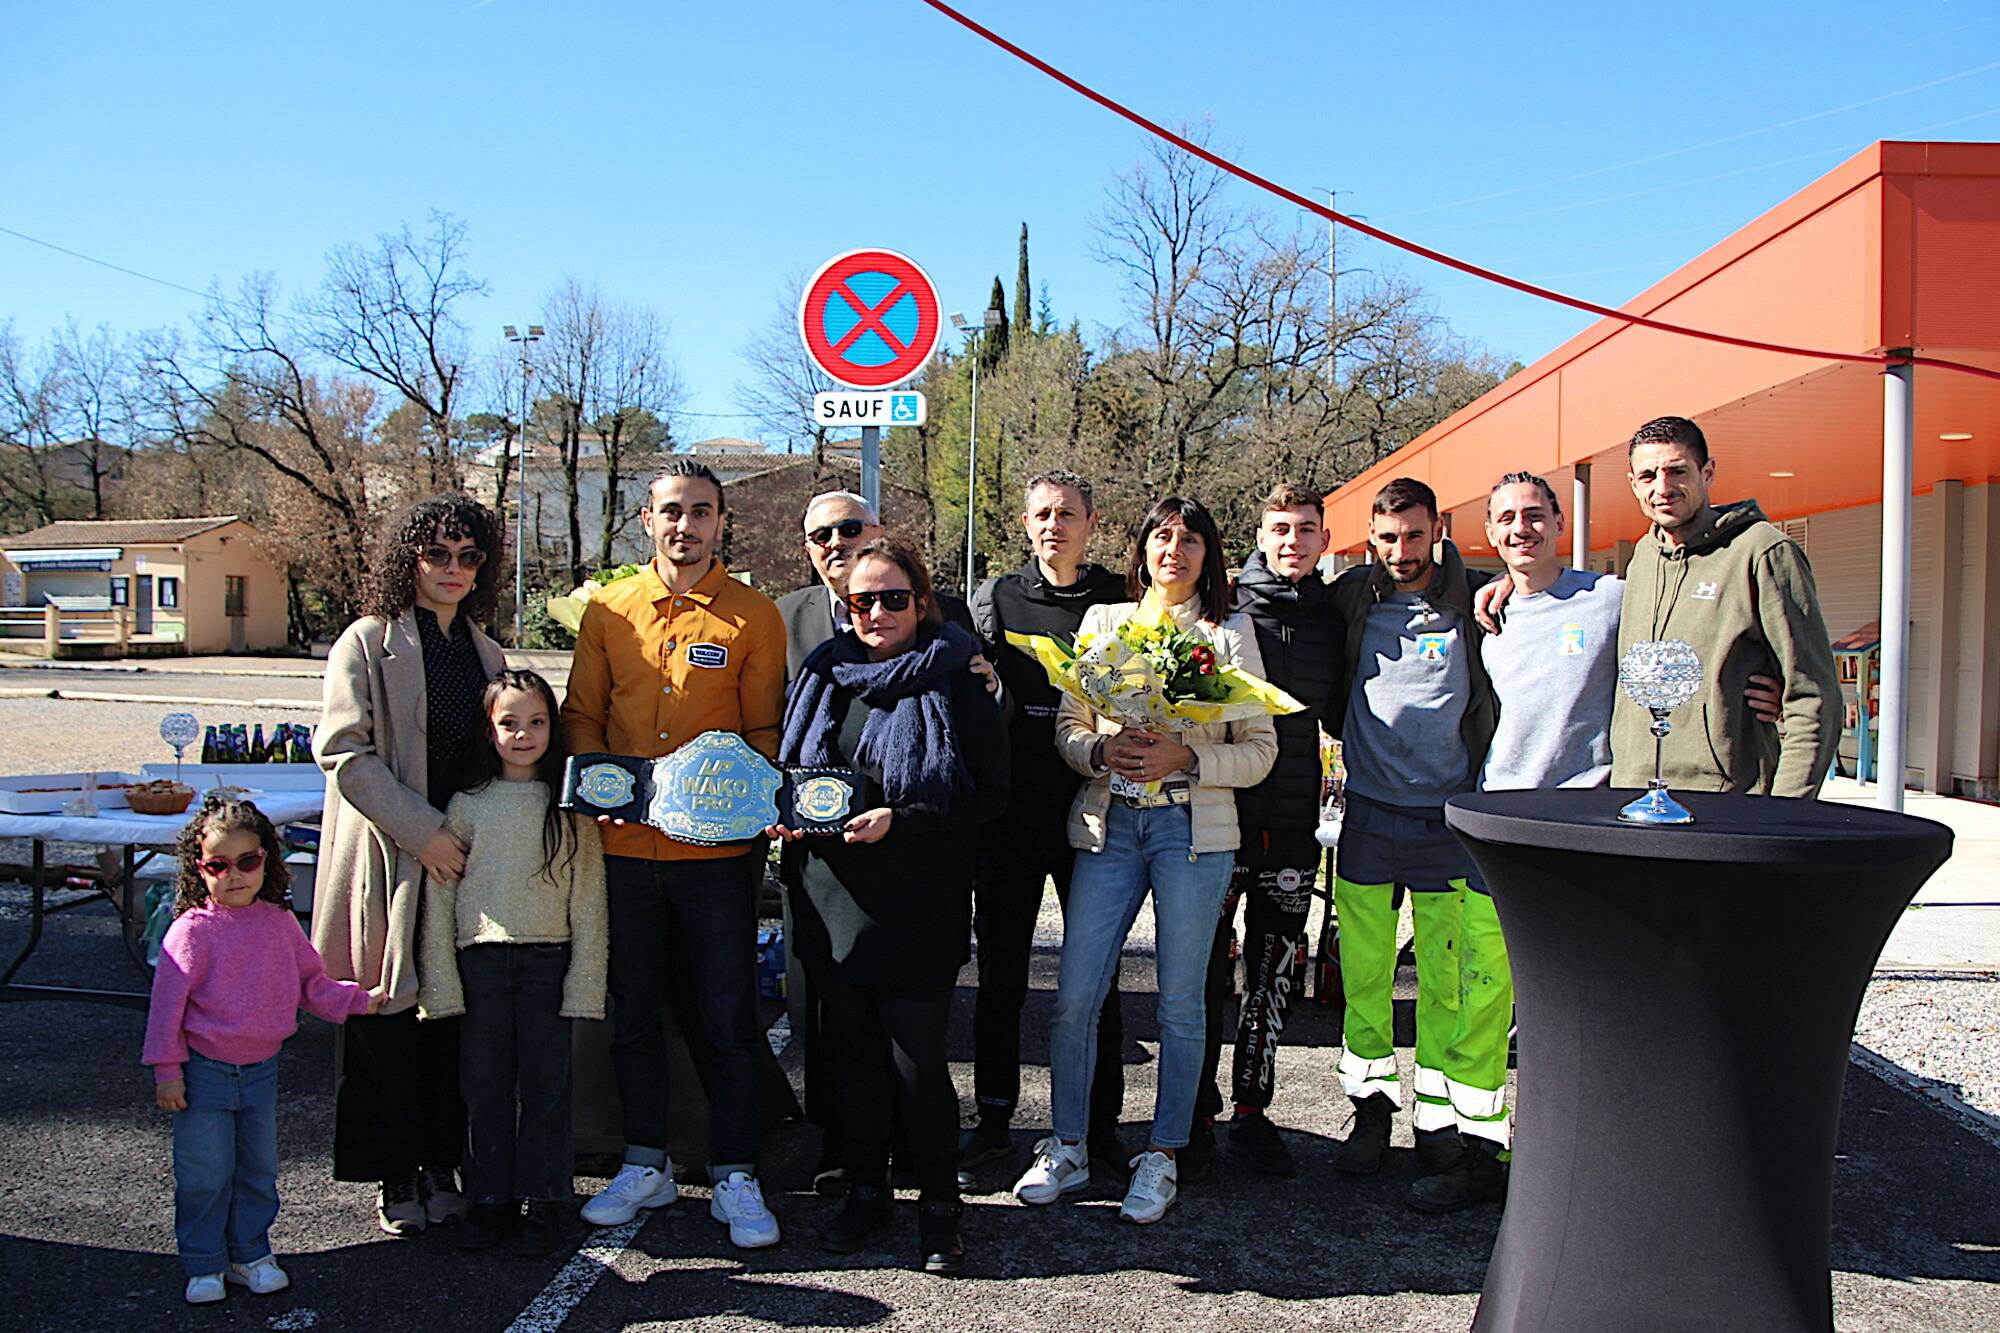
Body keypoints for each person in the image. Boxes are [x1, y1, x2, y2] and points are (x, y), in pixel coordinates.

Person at [1442, 471, 1795, 1213]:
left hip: (1581, 831)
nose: (1520, 529)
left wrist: (1763, 681)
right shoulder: (1485, 613)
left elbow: (1695, 629)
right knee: (1481, 1002)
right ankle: (1478, 1157)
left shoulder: (1610, 597)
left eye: (1534, 515)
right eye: (1505, 518)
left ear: (1560, 521)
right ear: (1489, 532)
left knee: (1570, 1010)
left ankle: (1566, 1165)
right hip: (1498, 829)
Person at [1013, 496, 1278, 1226]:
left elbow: (1262, 750)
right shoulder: (1105, 623)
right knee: (1074, 993)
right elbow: (1069, 727)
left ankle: (1162, 1154)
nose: (1175, 549)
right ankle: (1066, 1142)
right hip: (1111, 824)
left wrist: (1187, 755)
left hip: (1192, 830)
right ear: (1141, 549)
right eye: (1162, 536)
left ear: (1208, 555)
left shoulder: (1229, 635)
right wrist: (1102, 750)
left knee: (1181, 1002)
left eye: (1191, 539)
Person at [563, 458, 787, 1249]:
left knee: (728, 1016)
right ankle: (645, 1161)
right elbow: (582, 717)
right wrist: (604, 793)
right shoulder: (608, 612)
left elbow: (764, 736)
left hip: (719, 860)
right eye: (671, 511)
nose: (685, 525)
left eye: (701, 511)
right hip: (623, 855)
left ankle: (734, 1170)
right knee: (634, 1013)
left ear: (720, 521)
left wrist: (750, 812)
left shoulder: (753, 617)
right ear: (646, 521)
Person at [774, 537, 1009, 1273]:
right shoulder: (822, 675)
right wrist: (786, 812)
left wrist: (900, 819)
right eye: (862, 599)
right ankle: (867, 1191)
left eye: (893, 597)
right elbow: (794, 769)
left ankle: (940, 1206)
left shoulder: (956, 677)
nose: (877, 611)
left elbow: (989, 795)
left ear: (922, 600)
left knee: (916, 1064)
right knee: (852, 1061)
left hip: (917, 901)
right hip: (831, 895)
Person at [312, 494, 508, 1235]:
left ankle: (439, 1160)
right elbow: (344, 753)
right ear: (409, 559)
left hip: (460, 862)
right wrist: (421, 831)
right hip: (392, 856)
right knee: (386, 1010)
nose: (453, 569)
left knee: (449, 1019)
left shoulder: (488, 654)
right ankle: (395, 1171)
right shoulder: (366, 641)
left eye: (468, 556)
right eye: (437, 555)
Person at [960, 469, 1130, 1187]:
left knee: (1099, 979)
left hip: (1093, 810)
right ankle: (994, 1120)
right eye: (1041, 514)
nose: (1053, 524)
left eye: (1067, 513)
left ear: (1092, 521)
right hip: (1010, 816)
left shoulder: (1122, 597)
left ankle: (1101, 1125)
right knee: (1000, 973)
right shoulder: (996, 597)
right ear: (1025, 524)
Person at [145, 796, 381, 1305]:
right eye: (219, 865)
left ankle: (251, 1253)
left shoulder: (278, 923)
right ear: (198, 869)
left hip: (260, 1071)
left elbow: (311, 983)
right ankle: (205, 1262)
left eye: (249, 861)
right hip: (203, 1071)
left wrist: (361, 1001)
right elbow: (165, 1009)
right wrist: (168, 1070)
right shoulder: (190, 931)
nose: (236, 875)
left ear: (267, 862)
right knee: (204, 1172)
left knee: (258, 1169)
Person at [1325, 478, 1495, 1180]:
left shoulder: (1481, 599)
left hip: (1443, 821)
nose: (1400, 550)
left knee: (1442, 981)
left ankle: (1437, 1124)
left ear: (1439, 529)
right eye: (1387, 538)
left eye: (1414, 535)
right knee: (1363, 974)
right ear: (1370, 536)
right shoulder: (1352, 596)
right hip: (1366, 813)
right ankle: (1369, 1108)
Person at [418, 669, 608, 1255]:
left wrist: (585, 984)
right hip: (483, 963)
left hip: (548, 961)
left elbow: (589, 900)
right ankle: (488, 1197)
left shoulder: (571, 807)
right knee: (484, 1084)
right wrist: (440, 984)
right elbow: (441, 896)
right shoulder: (466, 806)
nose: (523, 734)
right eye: (509, 723)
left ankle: (547, 1200)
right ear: (489, 730)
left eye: (536, 722)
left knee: (547, 1086)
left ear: (553, 726)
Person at [1197, 481, 1345, 1180]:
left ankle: (1253, 1112)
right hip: (1223, 816)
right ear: (1260, 534)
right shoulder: (1224, 607)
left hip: (1291, 824)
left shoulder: (1332, 613)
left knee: (1274, 970)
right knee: (1200, 970)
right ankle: (1192, 1106)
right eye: (1281, 527)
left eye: (1306, 528)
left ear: (1324, 538)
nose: (1293, 540)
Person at [1613, 416, 1841, 796]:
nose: (1663, 487)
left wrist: (1785, 813)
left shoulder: (1761, 552)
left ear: (1708, 471)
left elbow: (1813, 695)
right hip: (1633, 794)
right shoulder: (1642, 558)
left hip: (1726, 801)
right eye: (1649, 476)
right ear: (1633, 483)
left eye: (1677, 471)